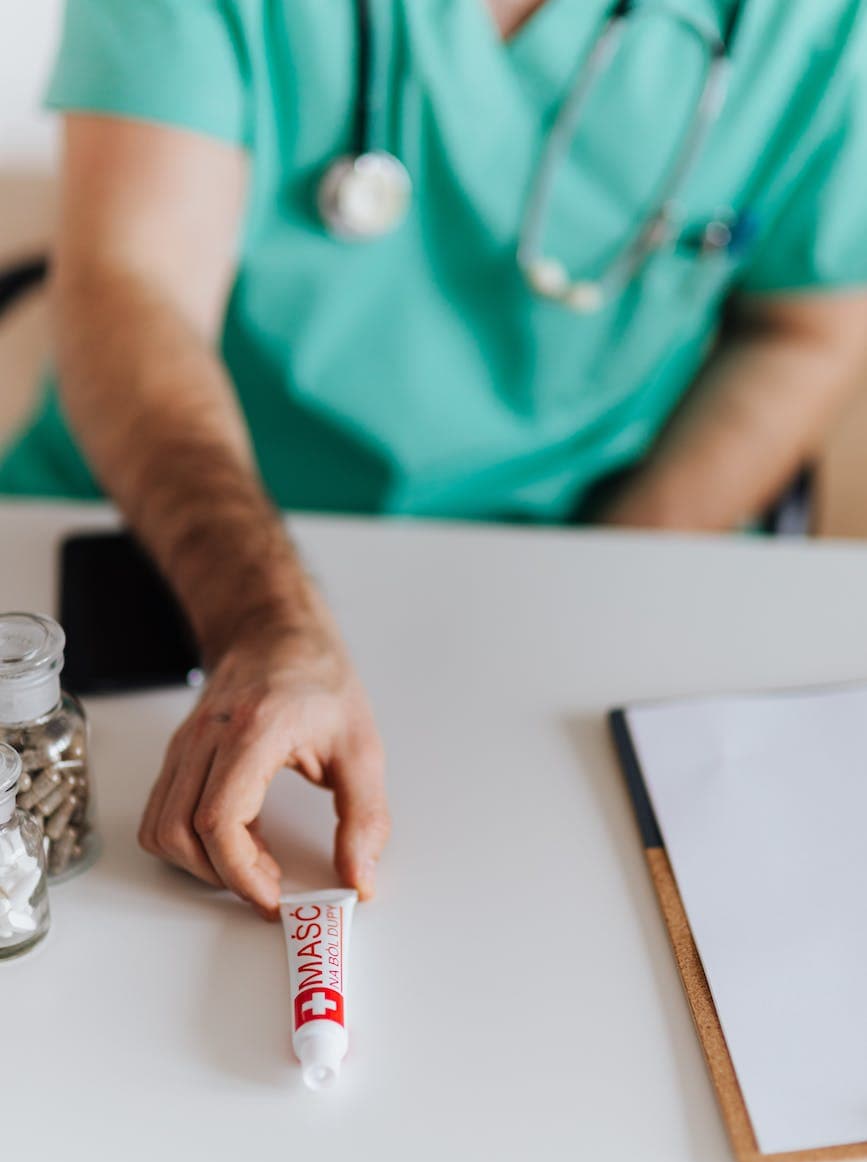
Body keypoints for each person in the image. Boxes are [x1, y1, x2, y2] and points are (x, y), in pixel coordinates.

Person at [2, 0, 867, 918]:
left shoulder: (816, 25)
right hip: (173, 540)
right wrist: (267, 623)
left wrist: (610, 576)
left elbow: (803, 330)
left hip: (577, 556)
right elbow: (135, 286)